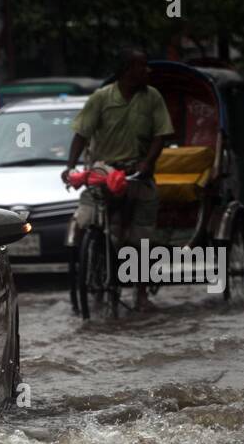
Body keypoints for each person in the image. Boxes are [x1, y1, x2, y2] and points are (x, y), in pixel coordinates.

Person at [61, 48, 175, 310]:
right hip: (104, 171)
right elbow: (81, 133)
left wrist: (147, 163)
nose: (147, 71)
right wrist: (69, 167)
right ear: (127, 70)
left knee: (141, 236)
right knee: (86, 219)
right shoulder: (101, 98)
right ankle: (94, 266)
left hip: (137, 173)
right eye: (141, 66)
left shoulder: (152, 97)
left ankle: (142, 292)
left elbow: (162, 135)